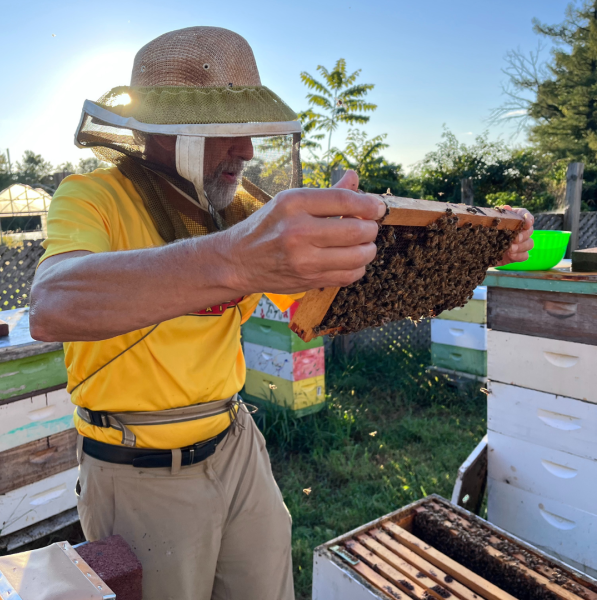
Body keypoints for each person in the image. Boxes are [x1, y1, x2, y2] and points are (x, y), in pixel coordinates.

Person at [29, 26, 534, 600]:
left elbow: (334, 281)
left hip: (236, 441)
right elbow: (52, 305)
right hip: (138, 465)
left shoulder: (241, 208)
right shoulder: (93, 198)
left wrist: (481, 240)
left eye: (252, 132)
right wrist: (234, 259)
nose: (245, 152)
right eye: (227, 132)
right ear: (167, 131)